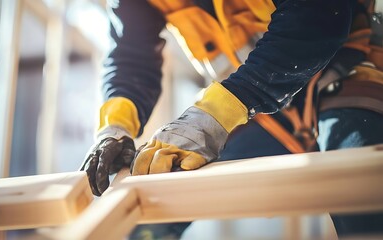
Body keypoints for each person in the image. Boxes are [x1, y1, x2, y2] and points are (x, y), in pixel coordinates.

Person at [81, 0, 383, 239]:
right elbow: (131, 58)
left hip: (350, 70)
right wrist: (115, 127)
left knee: (362, 202)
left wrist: (216, 113)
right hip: (264, 110)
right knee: (153, 208)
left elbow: (317, 16)